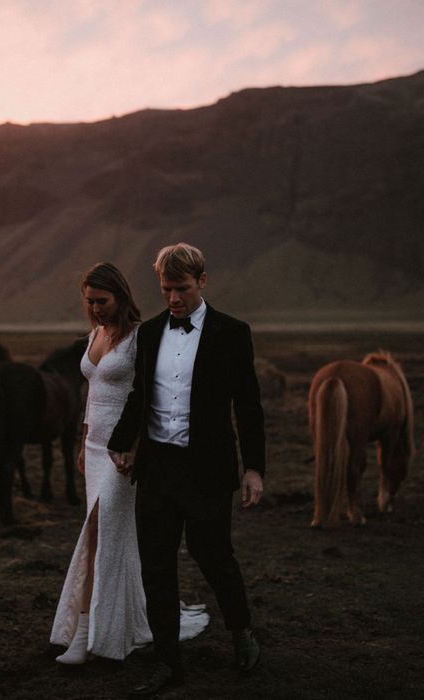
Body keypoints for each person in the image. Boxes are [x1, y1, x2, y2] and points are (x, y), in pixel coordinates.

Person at [108, 243, 265, 697]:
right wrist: (120, 443)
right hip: (157, 469)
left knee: (214, 556)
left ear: (203, 281)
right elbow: (139, 396)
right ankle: (167, 663)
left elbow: (249, 405)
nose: (173, 298)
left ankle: (242, 632)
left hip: (208, 471)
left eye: (181, 288)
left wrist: (254, 467)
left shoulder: (233, 333)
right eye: (166, 289)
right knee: (156, 568)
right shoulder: (151, 332)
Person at [50, 262, 209, 664]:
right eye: (89, 302)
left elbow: (149, 396)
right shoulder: (95, 334)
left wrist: (137, 446)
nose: (96, 309)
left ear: (121, 297)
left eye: (102, 301)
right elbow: (93, 392)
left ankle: (85, 634)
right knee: (109, 538)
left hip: (124, 454)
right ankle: (116, 621)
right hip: (96, 448)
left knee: (97, 532)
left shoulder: (141, 337)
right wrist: (84, 441)